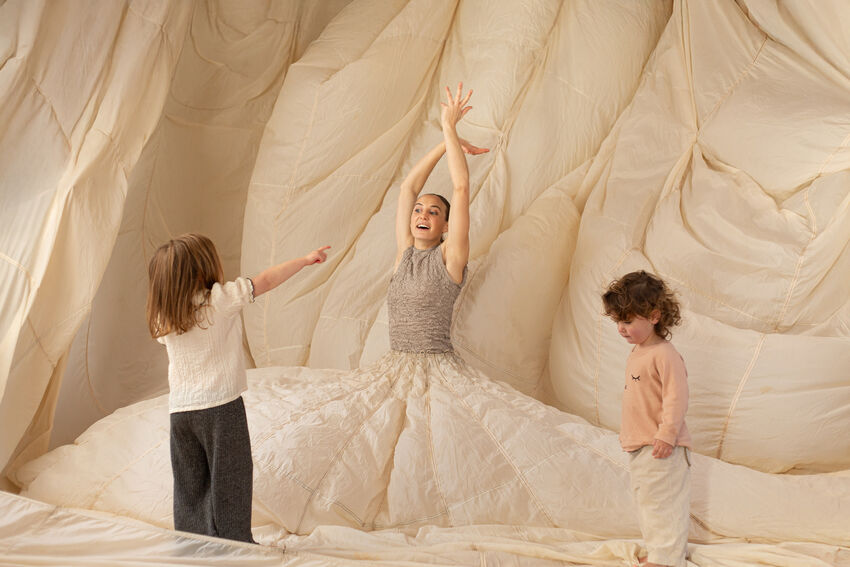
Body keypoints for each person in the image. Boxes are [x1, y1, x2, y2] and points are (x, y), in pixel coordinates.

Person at [146, 233, 328, 542]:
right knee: (231, 478)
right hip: (220, 407)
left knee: (189, 484)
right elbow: (266, 280)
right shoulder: (220, 300)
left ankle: (194, 542)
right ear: (204, 268)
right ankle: (234, 542)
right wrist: (305, 260)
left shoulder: (163, 317)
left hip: (181, 414)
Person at [602, 270, 690, 567]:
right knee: (648, 503)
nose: (621, 329)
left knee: (663, 504)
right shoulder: (639, 352)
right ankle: (659, 551)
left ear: (654, 316)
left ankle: (666, 559)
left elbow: (676, 398)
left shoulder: (665, 354)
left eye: (627, 321)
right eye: (617, 321)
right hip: (641, 444)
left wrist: (667, 434)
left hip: (661, 446)